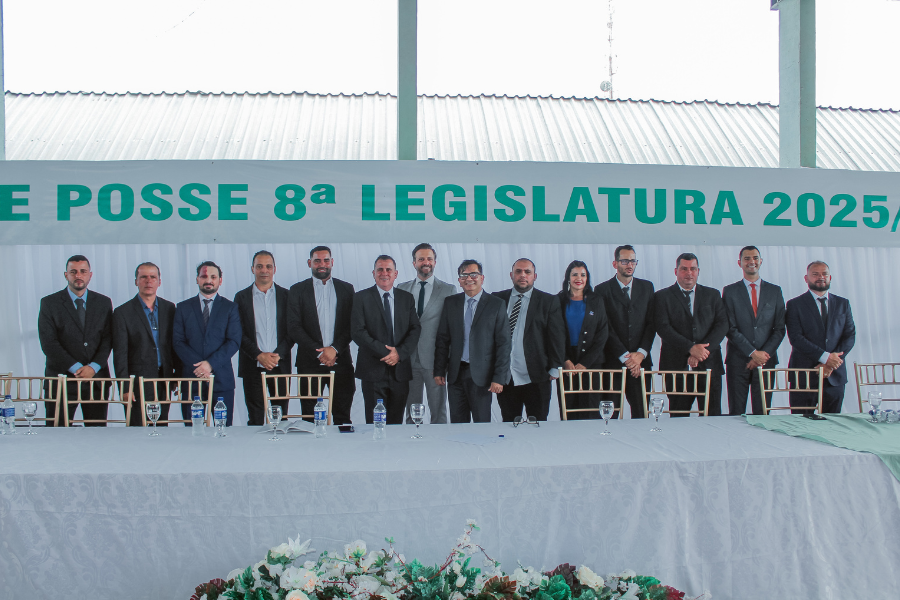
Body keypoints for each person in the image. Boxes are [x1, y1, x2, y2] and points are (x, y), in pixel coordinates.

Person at [38, 255, 113, 426]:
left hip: (96, 381)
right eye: (73, 272)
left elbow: (108, 339)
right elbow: (49, 343)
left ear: (90, 275)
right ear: (66, 275)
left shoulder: (103, 302)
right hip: (61, 381)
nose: (78, 275)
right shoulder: (49, 303)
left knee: (97, 437)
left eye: (82, 271)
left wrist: (93, 367)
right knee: (57, 436)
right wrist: (78, 368)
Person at [433, 260, 510, 423]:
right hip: (455, 374)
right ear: (459, 281)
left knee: (482, 423)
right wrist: (439, 370)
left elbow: (503, 343)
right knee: (457, 423)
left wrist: (499, 377)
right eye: (464, 275)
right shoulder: (451, 303)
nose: (469, 278)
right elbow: (442, 339)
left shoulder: (496, 304)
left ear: (482, 278)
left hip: (483, 376)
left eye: (473, 274)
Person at [653, 253, 728, 416]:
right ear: (676, 271)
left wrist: (701, 352)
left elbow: (722, 325)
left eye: (693, 269)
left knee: (712, 416)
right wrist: (691, 348)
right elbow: (663, 328)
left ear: (698, 271)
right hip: (676, 367)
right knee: (678, 417)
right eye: (684, 269)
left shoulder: (713, 295)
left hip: (709, 365)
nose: (689, 273)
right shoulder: (661, 296)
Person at [288, 246, 356, 424]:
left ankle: (342, 451)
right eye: (317, 260)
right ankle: (310, 452)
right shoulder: (297, 290)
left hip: (340, 362)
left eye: (326, 260)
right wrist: (319, 352)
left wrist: (334, 349)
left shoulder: (347, 289)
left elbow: (352, 325)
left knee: (342, 416)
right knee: (310, 419)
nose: (322, 264)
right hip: (309, 363)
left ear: (332, 262)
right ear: (309, 263)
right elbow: (294, 327)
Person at [351, 255, 421, 424]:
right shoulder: (361, 298)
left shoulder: (407, 298)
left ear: (395, 274)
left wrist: (399, 353)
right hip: (372, 370)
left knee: (396, 423)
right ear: (373, 273)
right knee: (375, 423)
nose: (384, 273)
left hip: (400, 370)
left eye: (388, 269)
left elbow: (415, 329)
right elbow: (357, 332)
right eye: (380, 269)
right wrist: (387, 353)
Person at [494, 258, 565, 422]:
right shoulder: (497, 299)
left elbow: (557, 337)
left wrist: (555, 367)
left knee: (538, 424)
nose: (522, 275)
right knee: (510, 424)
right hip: (507, 377)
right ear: (511, 275)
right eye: (518, 271)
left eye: (527, 272)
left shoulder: (548, 301)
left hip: (538, 376)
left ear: (535, 276)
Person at [172, 261, 242, 426]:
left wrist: (209, 365)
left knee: (222, 429)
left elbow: (233, 341)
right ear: (197, 279)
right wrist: (199, 367)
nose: (208, 280)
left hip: (221, 380)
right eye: (204, 276)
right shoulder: (183, 308)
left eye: (213, 277)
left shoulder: (230, 308)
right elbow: (178, 341)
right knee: (192, 432)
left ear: (220, 280)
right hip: (191, 379)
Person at [112, 262, 180, 426]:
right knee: (138, 430)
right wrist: (124, 387)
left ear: (159, 281)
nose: (148, 281)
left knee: (161, 428)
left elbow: (175, 344)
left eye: (152, 277)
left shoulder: (170, 308)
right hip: (137, 383)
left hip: (164, 380)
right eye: (143, 277)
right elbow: (120, 353)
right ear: (136, 281)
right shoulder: (122, 312)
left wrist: (177, 376)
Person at [785, 261, 856, 414]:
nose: (821, 277)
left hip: (834, 375)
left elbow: (849, 335)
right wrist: (825, 358)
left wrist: (830, 363)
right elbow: (796, 338)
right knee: (801, 424)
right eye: (815, 274)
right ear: (806, 278)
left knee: (833, 425)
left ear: (830, 277)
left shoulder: (843, 303)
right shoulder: (794, 305)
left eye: (824, 274)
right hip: (803, 375)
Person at [722, 246, 786, 416]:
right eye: (747, 258)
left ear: (761, 261)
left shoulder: (775, 291)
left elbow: (779, 328)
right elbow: (730, 327)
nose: (752, 262)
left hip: (766, 361)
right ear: (739, 263)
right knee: (736, 413)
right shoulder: (729, 291)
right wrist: (752, 353)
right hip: (738, 361)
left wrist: (762, 355)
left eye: (755, 258)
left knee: (763, 413)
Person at [397, 243, 456, 424]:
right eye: (421, 259)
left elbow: (452, 329)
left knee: (439, 411)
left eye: (429, 259)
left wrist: (447, 361)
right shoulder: (401, 288)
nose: (426, 262)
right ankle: (413, 446)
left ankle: (439, 447)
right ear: (414, 263)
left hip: (435, 361)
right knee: (411, 412)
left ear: (435, 262)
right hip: (409, 359)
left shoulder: (448, 290)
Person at [594, 245, 655, 419]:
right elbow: (605, 327)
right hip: (613, 362)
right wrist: (626, 358)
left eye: (633, 261)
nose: (629, 264)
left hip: (641, 362)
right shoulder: (602, 290)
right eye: (625, 261)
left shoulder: (647, 287)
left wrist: (640, 355)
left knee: (642, 413)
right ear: (615, 264)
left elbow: (652, 324)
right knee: (610, 415)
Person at [234, 251, 292, 426]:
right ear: (253, 269)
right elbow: (238, 332)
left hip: (279, 364)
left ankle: (281, 451)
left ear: (275, 269)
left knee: (280, 416)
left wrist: (278, 354)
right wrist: (258, 355)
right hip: (252, 364)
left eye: (268, 266)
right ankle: (255, 452)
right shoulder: (241, 297)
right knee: (255, 417)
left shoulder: (287, 296)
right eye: (259, 266)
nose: (264, 270)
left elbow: (293, 330)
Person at [555, 261, 608, 420]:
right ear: (568, 278)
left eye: (583, 275)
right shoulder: (558, 300)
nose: (579, 278)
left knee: (591, 410)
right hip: (567, 361)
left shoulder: (596, 300)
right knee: (569, 409)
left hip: (591, 362)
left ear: (587, 278)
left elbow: (602, 333)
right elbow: (554, 333)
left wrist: (586, 363)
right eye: (575, 274)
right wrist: (565, 359)